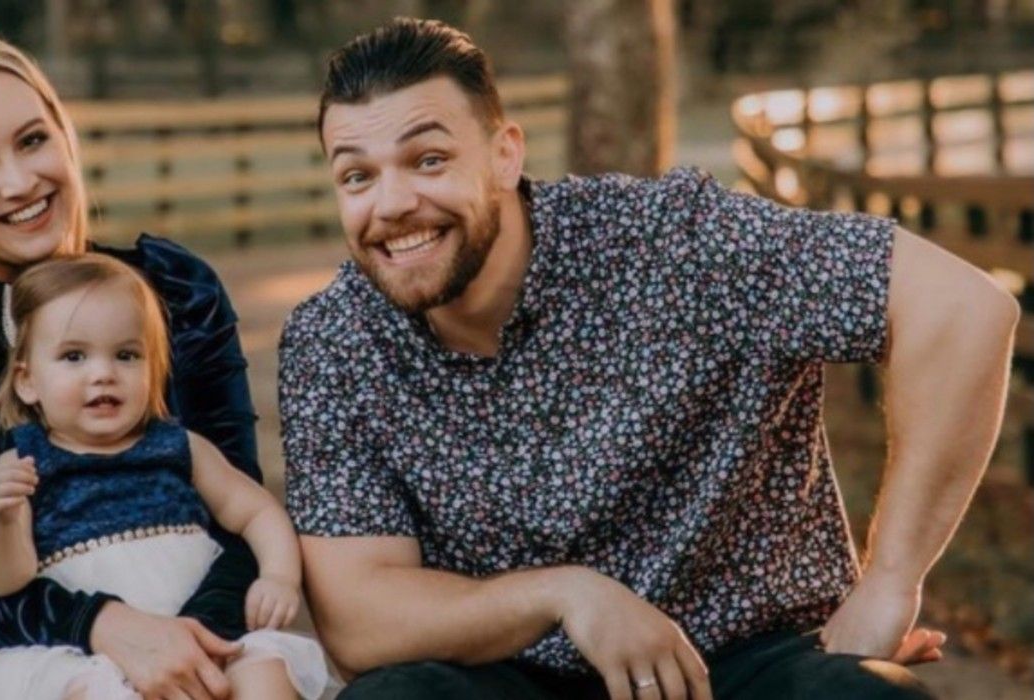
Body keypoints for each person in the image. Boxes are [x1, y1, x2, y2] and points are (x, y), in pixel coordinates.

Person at [277, 17, 1019, 700]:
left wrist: (889, 583)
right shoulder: (334, 340)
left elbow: (962, 309)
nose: (392, 202)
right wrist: (565, 595)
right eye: (357, 176)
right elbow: (361, 617)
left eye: (428, 159)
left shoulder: (672, 241)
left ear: (505, 154)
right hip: (508, 674)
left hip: (746, 662)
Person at [0, 31, 264, 699]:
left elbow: (242, 512)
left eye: (32, 140)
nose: (21, 181)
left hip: (196, 628)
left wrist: (188, 645)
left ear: (64, 137)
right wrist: (111, 630)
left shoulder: (174, 292)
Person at [0, 254, 329, 700]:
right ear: (27, 381)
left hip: (204, 630)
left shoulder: (179, 447)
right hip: (87, 655)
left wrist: (278, 576)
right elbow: (5, 580)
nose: (103, 374)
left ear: (153, 367)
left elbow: (256, 512)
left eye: (127, 355)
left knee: (265, 674)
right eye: (74, 356)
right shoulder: (21, 466)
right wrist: (0, 522)